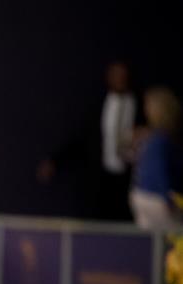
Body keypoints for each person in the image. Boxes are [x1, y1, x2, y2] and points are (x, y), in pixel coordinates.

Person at [38, 61, 138, 219]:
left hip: (128, 182)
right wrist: (55, 160)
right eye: (116, 75)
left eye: (123, 76)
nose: (120, 79)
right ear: (109, 78)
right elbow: (79, 138)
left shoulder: (139, 106)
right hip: (99, 180)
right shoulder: (96, 104)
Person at [129, 87, 183, 230]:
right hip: (154, 198)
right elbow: (160, 171)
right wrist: (167, 199)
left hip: (141, 195)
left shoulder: (155, 138)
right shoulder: (160, 140)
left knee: (151, 242)